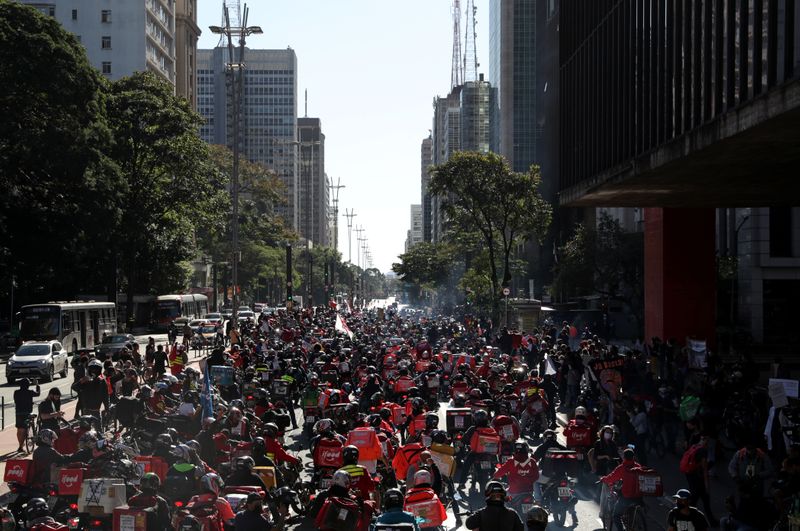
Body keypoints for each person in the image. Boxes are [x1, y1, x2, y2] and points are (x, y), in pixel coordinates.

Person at [601, 448, 643, 531]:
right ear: (633, 457)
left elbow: (611, 478)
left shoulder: (622, 468)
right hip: (638, 496)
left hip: (626, 497)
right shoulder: (638, 466)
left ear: (624, 457)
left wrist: (603, 479)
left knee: (616, 516)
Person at [14, 378, 40, 452]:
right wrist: (37, 385)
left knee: (19, 429)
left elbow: (16, 401)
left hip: (18, 413)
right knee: (25, 428)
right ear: (28, 385)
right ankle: (21, 446)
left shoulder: (16, 392)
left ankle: (20, 445)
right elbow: (38, 393)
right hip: (27, 413)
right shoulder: (30, 392)